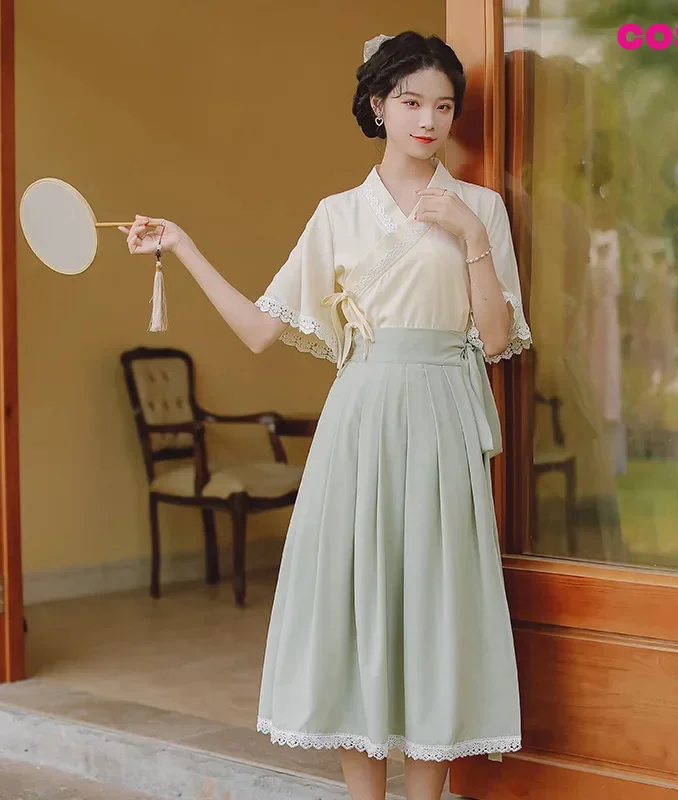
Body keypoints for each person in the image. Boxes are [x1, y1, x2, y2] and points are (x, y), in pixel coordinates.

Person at [120, 30, 531, 800]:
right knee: (354, 611)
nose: (428, 120)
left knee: (435, 610)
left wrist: (471, 237)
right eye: (410, 101)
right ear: (377, 106)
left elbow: (498, 340)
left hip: (441, 422)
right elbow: (259, 329)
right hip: (359, 424)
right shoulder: (337, 215)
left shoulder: (481, 208)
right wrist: (183, 244)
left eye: (444, 106)